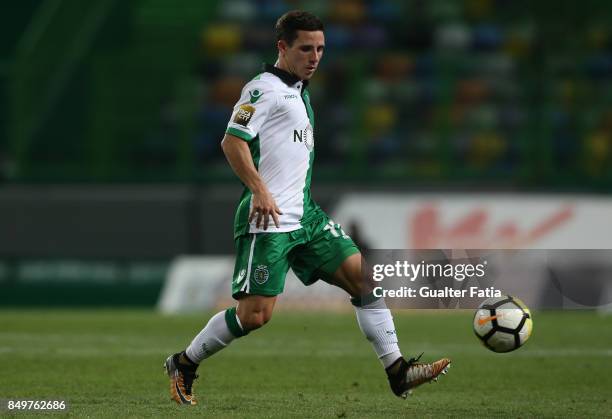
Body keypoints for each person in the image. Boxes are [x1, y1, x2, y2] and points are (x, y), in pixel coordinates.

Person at [165, 10, 450, 405]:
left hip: (307, 216)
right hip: (268, 219)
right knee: (254, 316)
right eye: (306, 49)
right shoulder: (261, 89)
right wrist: (260, 191)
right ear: (282, 47)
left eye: (320, 49)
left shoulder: (299, 89)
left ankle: (398, 371)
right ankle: (184, 362)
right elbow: (232, 142)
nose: (315, 57)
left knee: (364, 280)